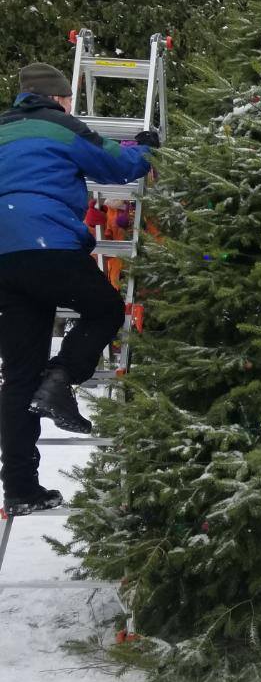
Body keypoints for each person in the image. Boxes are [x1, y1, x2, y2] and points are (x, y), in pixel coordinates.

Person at [0, 61, 157, 516]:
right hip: (46, 244)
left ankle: (22, 489)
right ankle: (62, 377)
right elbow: (115, 163)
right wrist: (143, 148)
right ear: (59, 98)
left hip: (4, 259)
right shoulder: (60, 127)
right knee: (106, 308)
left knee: (18, 378)